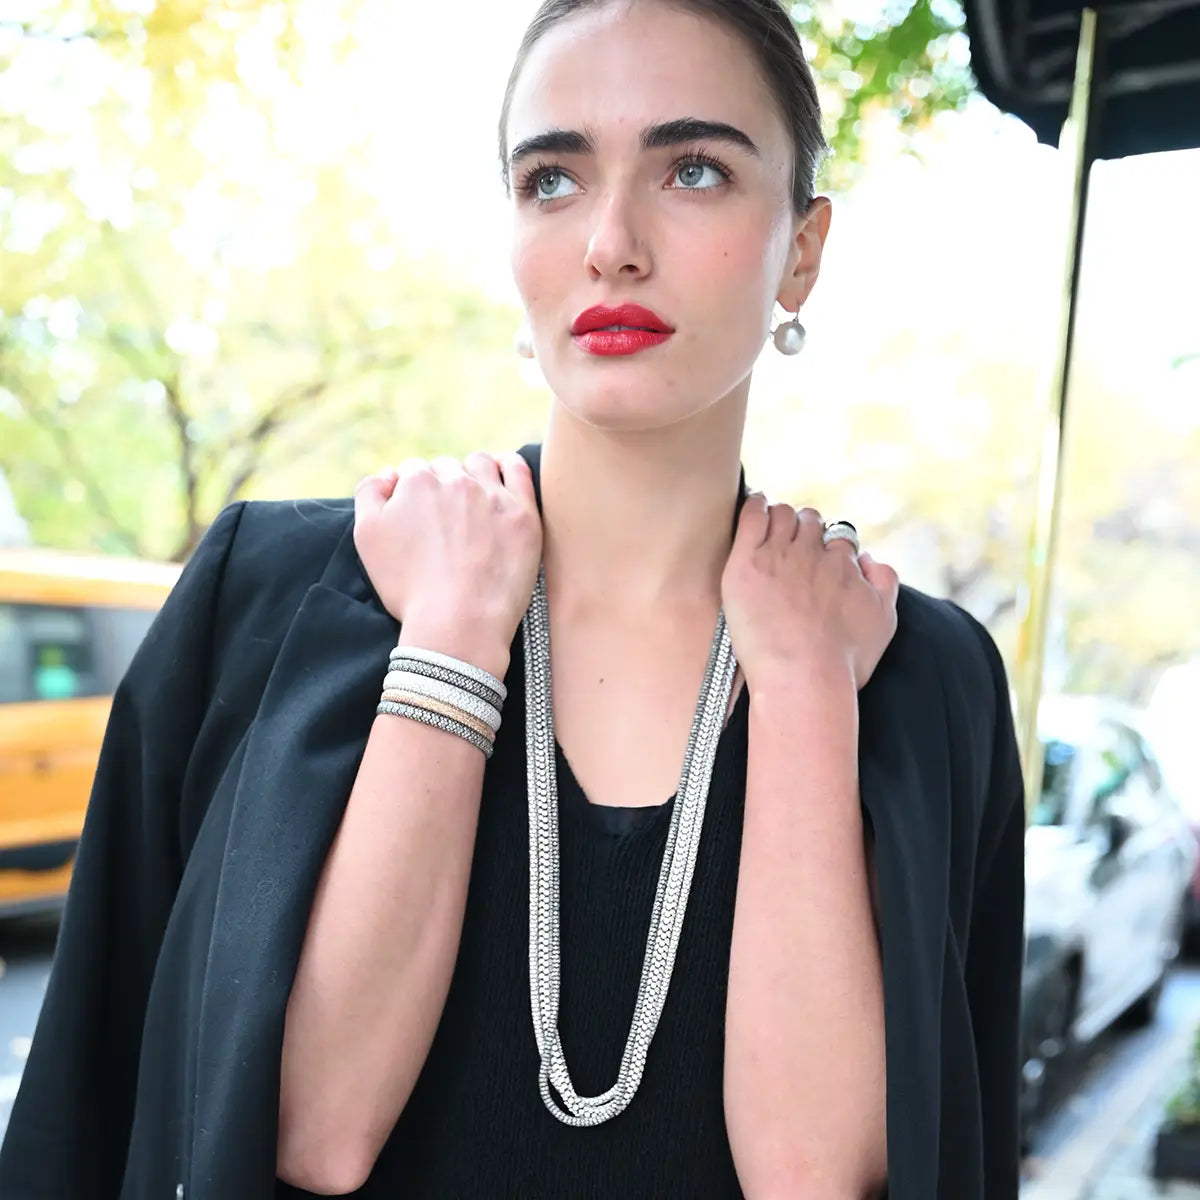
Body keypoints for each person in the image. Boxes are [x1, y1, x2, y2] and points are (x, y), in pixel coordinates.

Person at [0, 1, 1025, 1197]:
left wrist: (801, 690)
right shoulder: (272, 600)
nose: (611, 241)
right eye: (553, 179)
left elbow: (815, 1174)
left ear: (801, 249)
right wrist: (448, 641)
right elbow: (304, 1135)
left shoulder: (918, 675)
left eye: (693, 170)